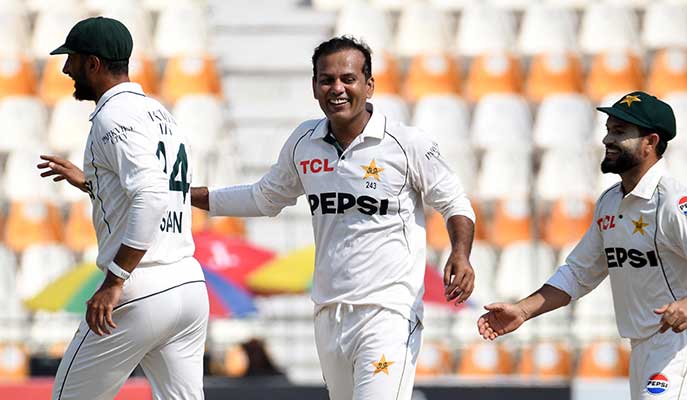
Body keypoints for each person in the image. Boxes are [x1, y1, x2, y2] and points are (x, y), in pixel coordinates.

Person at [190, 36, 476, 399]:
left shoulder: (406, 143)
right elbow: (263, 198)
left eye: (348, 79)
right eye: (327, 80)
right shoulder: (303, 143)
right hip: (329, 313)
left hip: (389, 312)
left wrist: (461, 253)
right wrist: (186, 195)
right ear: (314, 87)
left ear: (369, 85)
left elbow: (455, 202)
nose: (337, 88)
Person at [477, 91, 687, 399]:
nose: (607, 139)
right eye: (608, 129)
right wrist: (521, 311)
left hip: (683, 344)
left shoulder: (674, 203)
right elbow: (578, 274)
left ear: (650, 142)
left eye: (620, 132)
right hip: (643, 346)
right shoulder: (610, 202)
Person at [37, 17, 208, 400]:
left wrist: (115, 280)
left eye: (73, 60)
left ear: (93, 64)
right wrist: (91, 182)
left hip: (141, 283)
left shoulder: (113, 117)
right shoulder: (161, 113)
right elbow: (153, 187)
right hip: (187, 283)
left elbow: (150, 195)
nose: (67, 70)